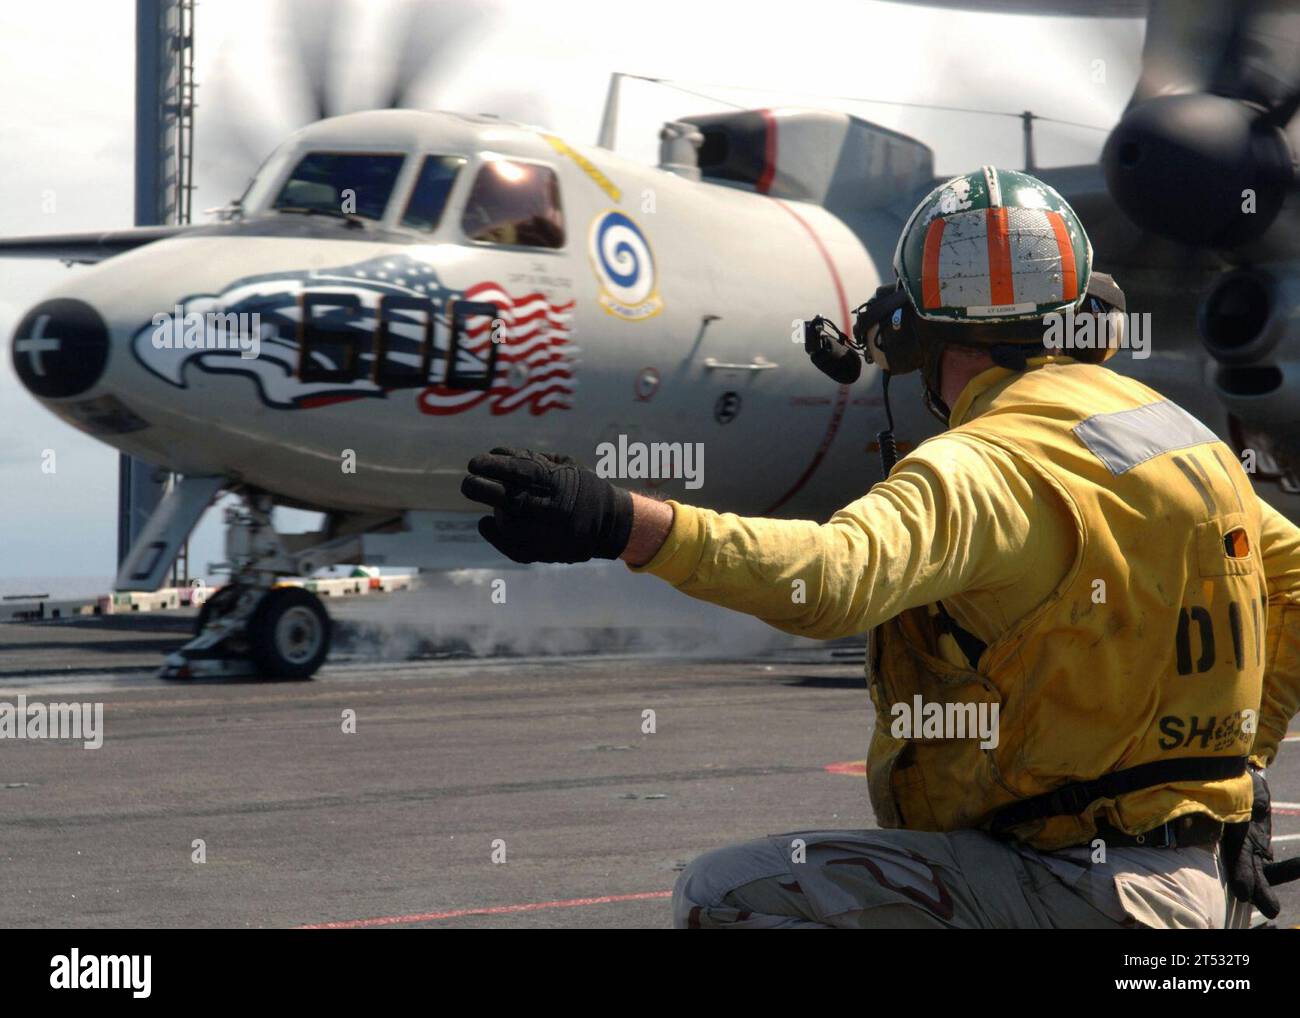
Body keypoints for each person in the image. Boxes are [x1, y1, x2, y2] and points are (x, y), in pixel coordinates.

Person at [460, 167, 1300, 929]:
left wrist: (620, 522)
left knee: (725, 894)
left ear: (914, 338)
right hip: (1206, 894)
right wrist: (1239, 777)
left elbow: (830, 580)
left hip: (1078, 894)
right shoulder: (1187, 442)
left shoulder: (984, 462)